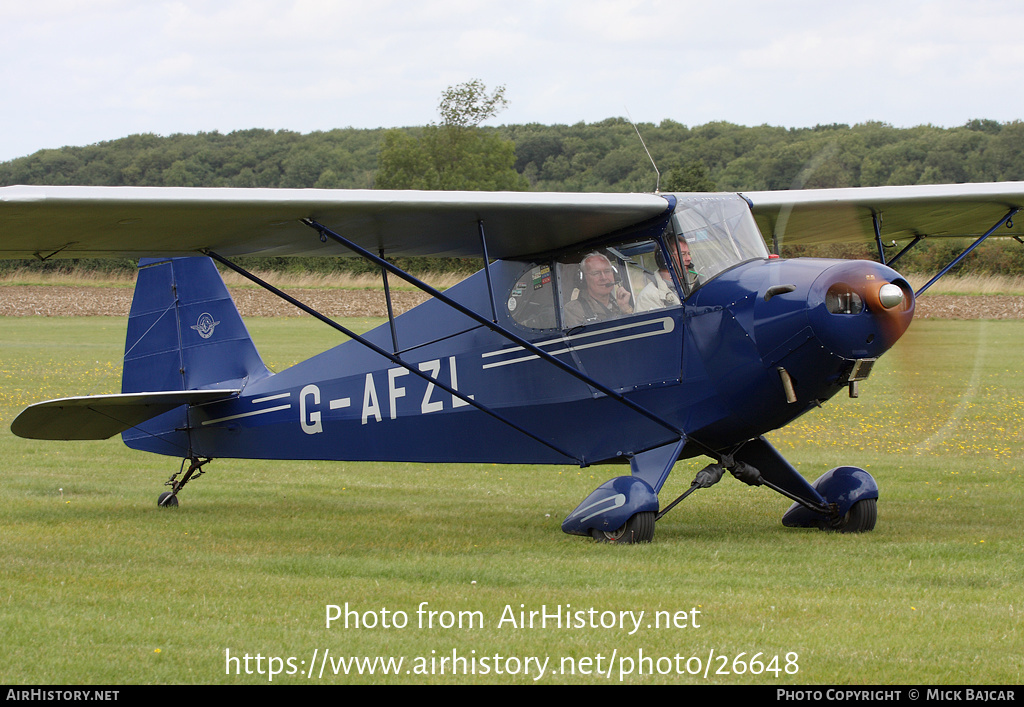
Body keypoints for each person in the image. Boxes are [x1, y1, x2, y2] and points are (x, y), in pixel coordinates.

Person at [562, 252, 633, 327]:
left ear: (614, 275)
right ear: (583, 279)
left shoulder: (619, 304)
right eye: (596, 273)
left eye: (607, 271)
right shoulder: (573, 310)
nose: (604, 278)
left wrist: (625, 309)